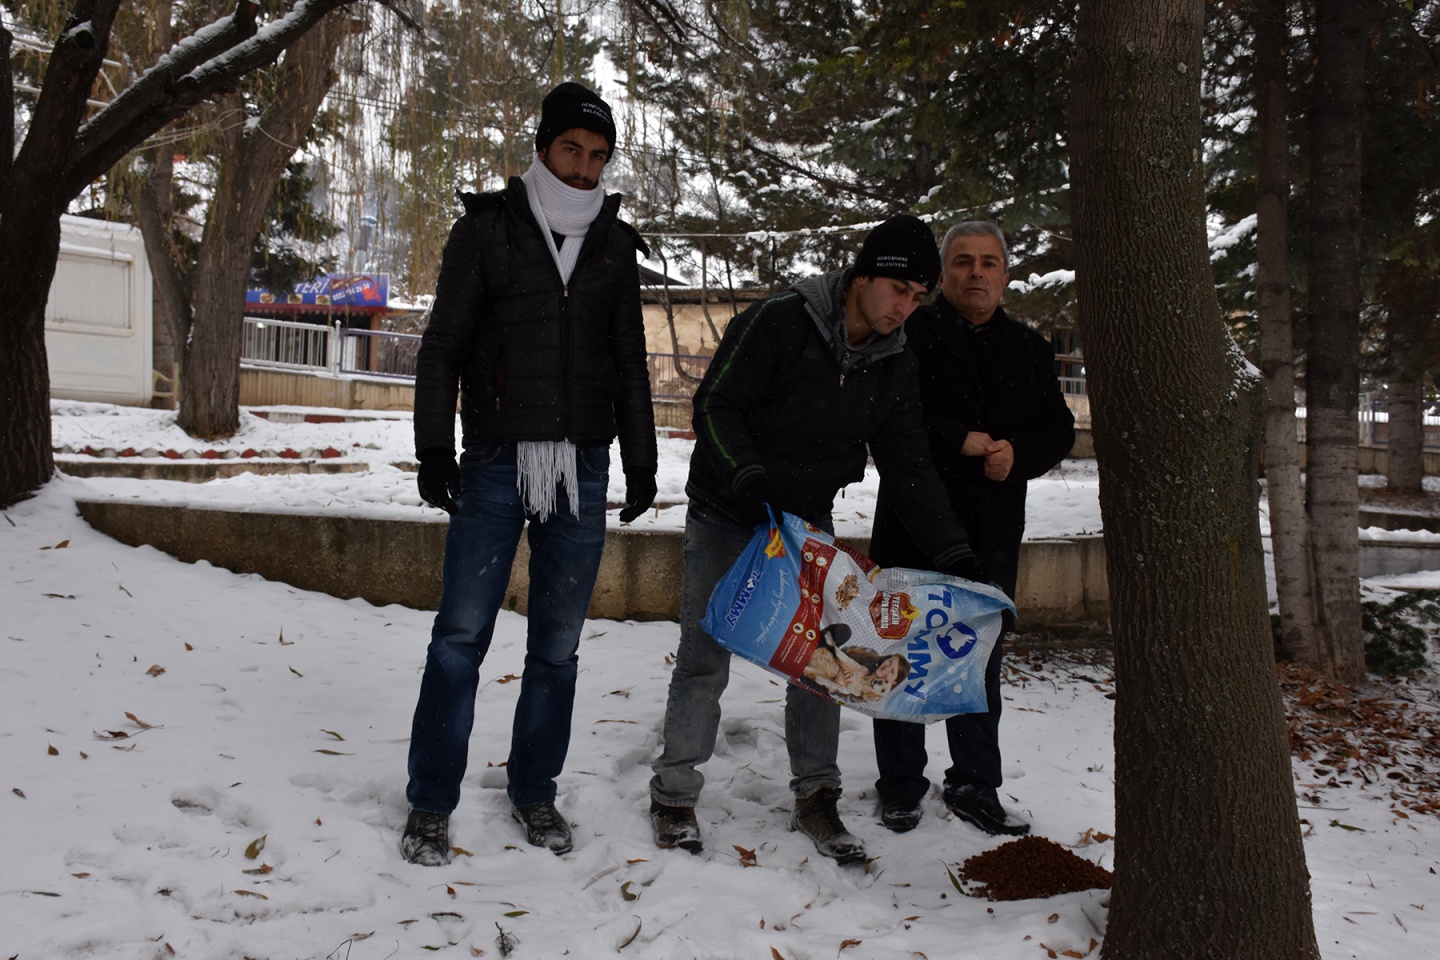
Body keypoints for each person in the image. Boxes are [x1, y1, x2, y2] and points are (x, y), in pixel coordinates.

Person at [648, 215, 986, 865]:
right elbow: (716, 404)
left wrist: (956, 554)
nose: (905, 308)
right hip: (728, 510)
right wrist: (747, 476)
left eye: (918, 297)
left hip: (805, 526)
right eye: (898, 290)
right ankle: (674, 794)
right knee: (705, 655)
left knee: (824, 664)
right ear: (862, 277)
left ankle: (817, 797)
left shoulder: (895, 362)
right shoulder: (779, 321)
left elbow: (911, 467)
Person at [400, 82, 658, 866]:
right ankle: (430, 802)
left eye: (598, 156)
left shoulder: (614, 244)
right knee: (460, 637)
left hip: (582, 464)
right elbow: (443, 345)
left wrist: (642, 461)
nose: (584, 168)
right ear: (544, 147)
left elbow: (629, 361)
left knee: (557, 646)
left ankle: (535, 790)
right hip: (495, 459)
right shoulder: (487, 230)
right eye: (572, 149)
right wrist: (433, 449)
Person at [868, 221, 1075, 837]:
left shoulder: (1030, 348)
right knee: (900, 655)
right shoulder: (908, 335)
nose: (975, 273)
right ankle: (900, 785)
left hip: (990, 531)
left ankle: (975, 783)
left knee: (978, 660)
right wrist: (956, 438)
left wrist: (1021, 453)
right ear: (943, 275)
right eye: (962, 262)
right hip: (913, 521)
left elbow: (1059, 429)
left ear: (1005, 275)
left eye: (988, 262)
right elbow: (884, 417)